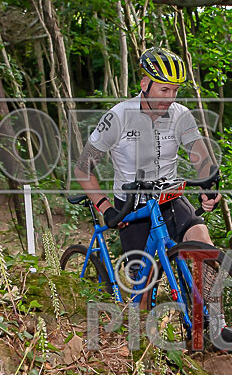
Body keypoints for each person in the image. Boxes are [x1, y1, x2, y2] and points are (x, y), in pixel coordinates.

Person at [73, 47, 222, 267]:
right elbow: (82, 168)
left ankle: (207, 303)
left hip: (169, 198)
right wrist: (106, 208)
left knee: (207, 253)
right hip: (133, 206)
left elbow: (201, 159)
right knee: (143, 289)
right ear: (145, 85)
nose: (170, 98)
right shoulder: (118, 117)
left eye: (175, 90)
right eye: (164, 90)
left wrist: (209, 187)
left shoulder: (181, 115)